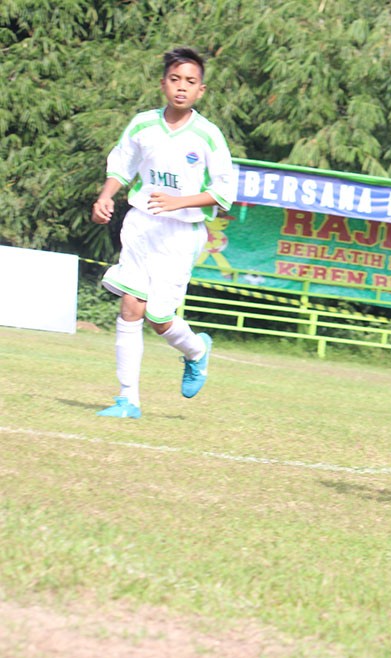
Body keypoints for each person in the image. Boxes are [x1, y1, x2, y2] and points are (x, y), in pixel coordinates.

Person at [90, 47, 236, 419]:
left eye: (190, 81)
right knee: (131, 306)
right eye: (175, 79)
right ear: (163, 84)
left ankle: (196, 351)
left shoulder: (208, 135)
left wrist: (179, 202)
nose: (181, 87)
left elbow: (224, 193)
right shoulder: (143, 124)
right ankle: (127, 400)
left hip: (182, 233)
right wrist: (105, 196)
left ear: (201, 90)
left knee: (158, 317)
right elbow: (121, 165)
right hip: (141, 223)